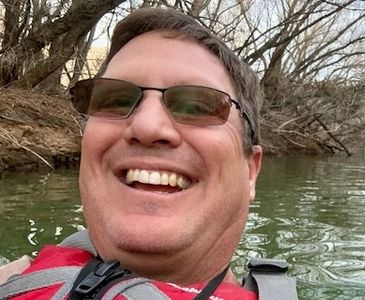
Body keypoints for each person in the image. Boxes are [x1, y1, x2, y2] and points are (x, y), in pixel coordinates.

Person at [0, 7, 297, 299]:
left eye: (197, 106)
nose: (147, 126)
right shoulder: (15, 279)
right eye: (114, 99)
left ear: (250, 172)